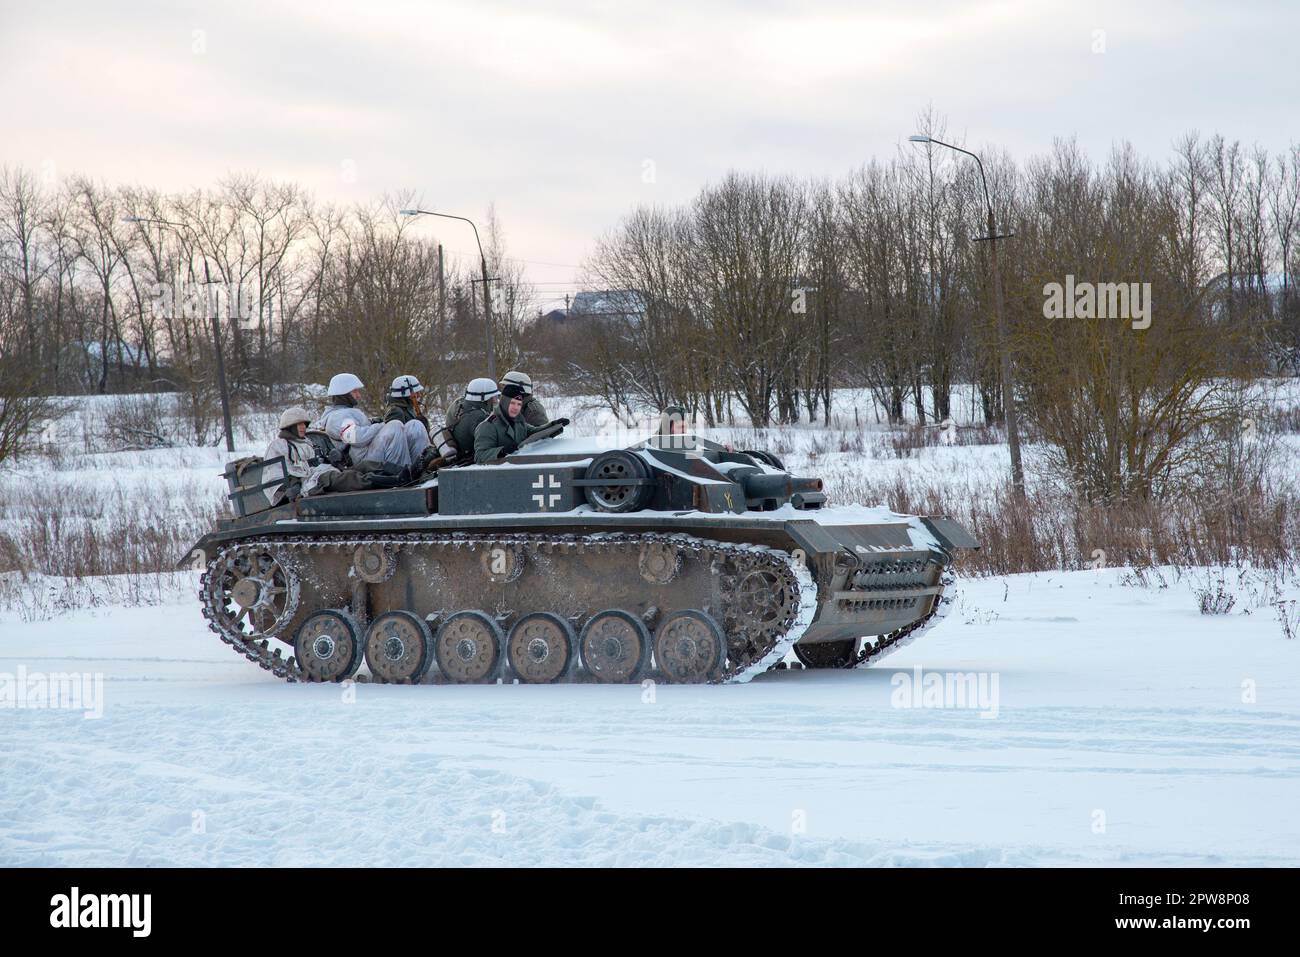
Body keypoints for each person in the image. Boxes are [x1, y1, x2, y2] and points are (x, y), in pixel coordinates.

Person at [319, 372, 429, 471]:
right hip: (362, 460)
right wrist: (382, 425)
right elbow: (358, 438)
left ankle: (421, 468)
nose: (358, 395)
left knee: (415, 425)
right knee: (395, 426)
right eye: (355, 391)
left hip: (369, 452)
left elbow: (360, 428)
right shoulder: (336, 417)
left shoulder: (346, 412)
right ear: (343, 393)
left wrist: (374, 422)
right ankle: (404, 473)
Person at [263, 406, 338, 504]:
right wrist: (292, 484)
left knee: (356, 469)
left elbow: (315, 464)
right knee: (339, 478)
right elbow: (274, 474)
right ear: (290, 426)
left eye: (304, 424)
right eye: (299, 424)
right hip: (308, 483)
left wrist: (332, 460)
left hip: (318, 477)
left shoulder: (307, 442)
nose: (303, 427)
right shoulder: (279, 445)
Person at [474, 382, 548, 463]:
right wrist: (502, 451)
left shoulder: (518, 421)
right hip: (497, 473)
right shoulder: (488, 426)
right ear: (504, 402)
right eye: (512, 403)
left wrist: (554, 426)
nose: (516, 408)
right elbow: (479, 456)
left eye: (519, 404)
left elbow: (534, 431)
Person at [435, 377, 500, 464]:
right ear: (484, 398)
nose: (496, 401)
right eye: (493, 398)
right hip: (466, 458)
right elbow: (494, 441)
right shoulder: (478, 417)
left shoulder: (458, 403)